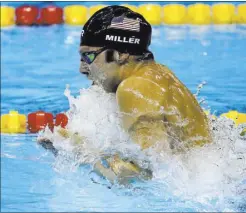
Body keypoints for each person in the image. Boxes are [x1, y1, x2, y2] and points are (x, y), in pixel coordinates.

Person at [79, 5, 211, 152]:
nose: (82, 69)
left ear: (121, 54)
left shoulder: (133, 88)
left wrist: (82, 152)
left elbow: (150, 170)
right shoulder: (158, 73)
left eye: (88, 56)